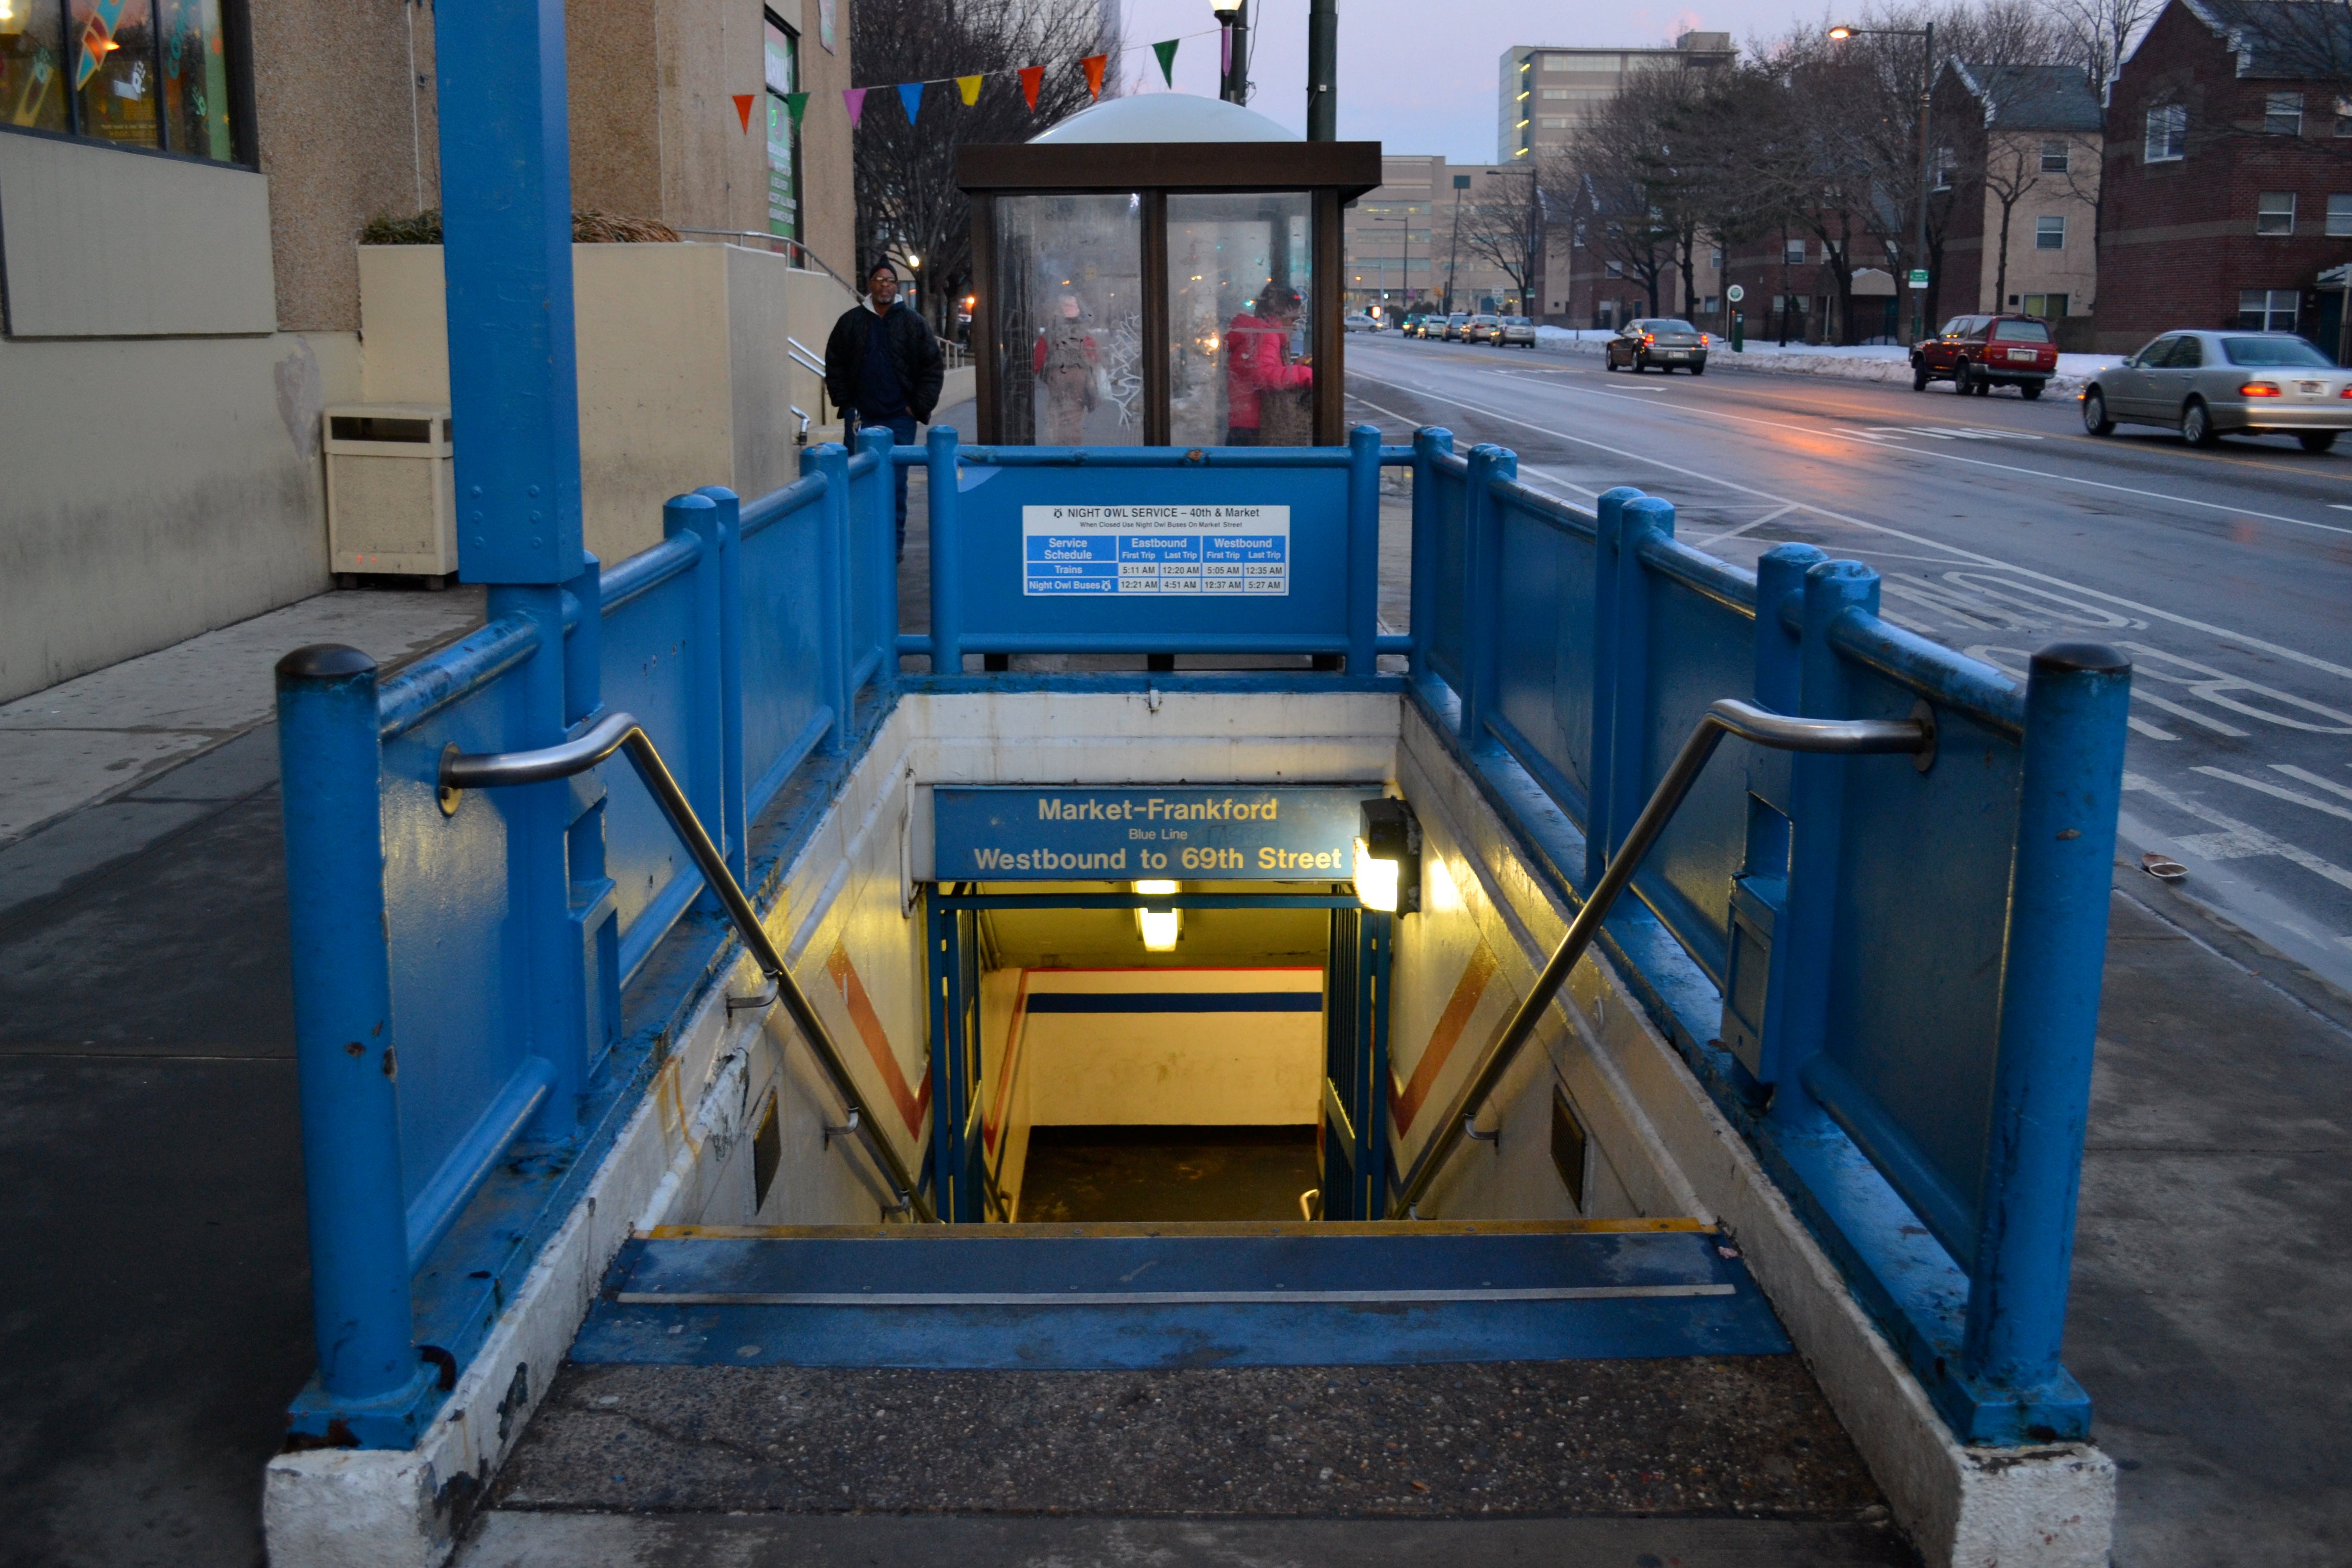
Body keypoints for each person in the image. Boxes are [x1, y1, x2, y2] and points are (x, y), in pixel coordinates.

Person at [823, 260, 944, 560]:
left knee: (895, 485)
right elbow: (834, 364)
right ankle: (861, 545)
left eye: (890, 280)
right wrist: (846, 404)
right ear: (870, 285)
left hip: (899, 419)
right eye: (879, 279)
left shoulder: (914, 323)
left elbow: (932, 368)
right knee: (858, 482)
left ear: (897, 286)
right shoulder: (851, 322)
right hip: (860, 419)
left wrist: (916, 408)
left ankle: (894, 546)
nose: (885, 285)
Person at [1222, 282, 1312, 446]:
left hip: (1242, 421)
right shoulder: (1267, 335)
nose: (1295, 326)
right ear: (1278, 314)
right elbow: (1263, 376)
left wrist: (1296, 367)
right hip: (1252, 427)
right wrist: (1305, 374)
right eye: (1292, 319)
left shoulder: (1258, 333)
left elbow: (1261, 368)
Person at [1032, 293, 1099, 445]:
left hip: (1057, 374)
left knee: (1059, 409)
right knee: (1075, 411)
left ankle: (1060, 446)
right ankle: (1074, 446)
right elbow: (1093, 354)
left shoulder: (1050, 332)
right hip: (1079, 374)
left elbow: (1039, 357)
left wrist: (1037, 372)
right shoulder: (1083, 332)